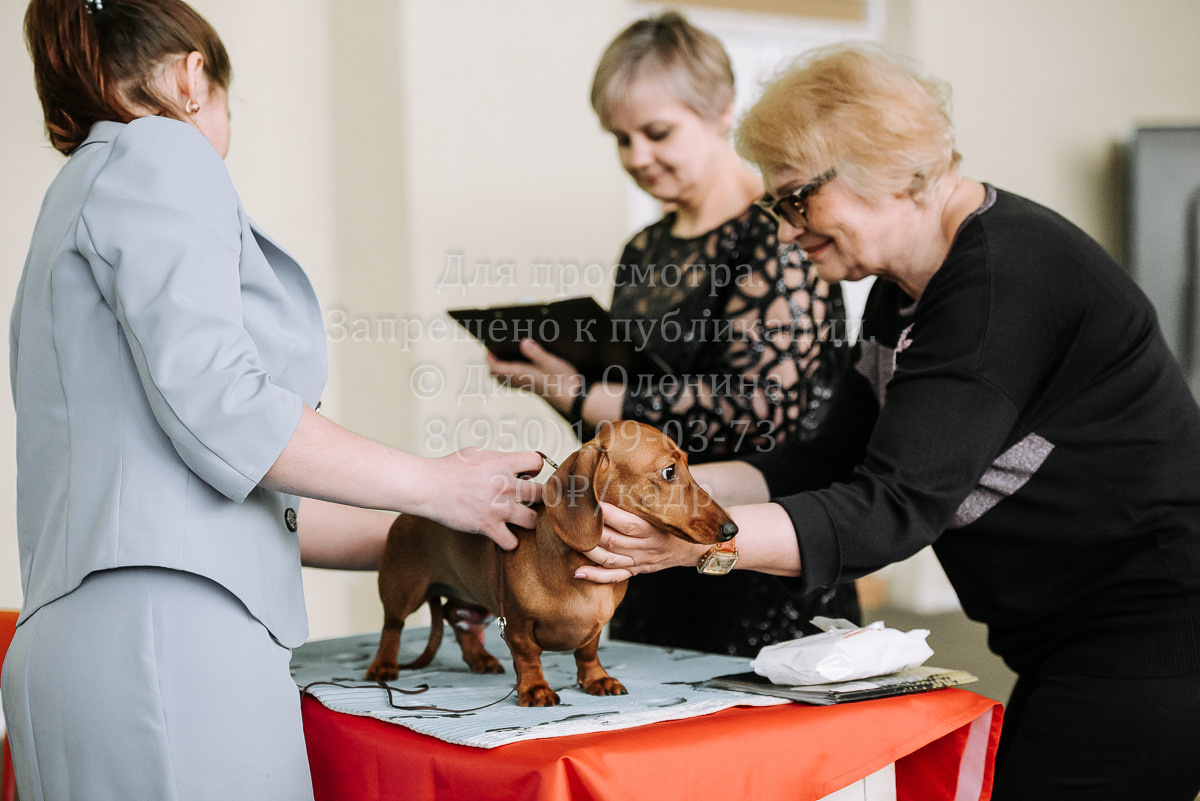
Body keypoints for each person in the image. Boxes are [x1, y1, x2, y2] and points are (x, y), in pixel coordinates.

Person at [576, 43, 1200, 801]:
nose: (784, 228)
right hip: (1073, 640)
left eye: (797, 200)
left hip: (1152, 634)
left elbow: (891, 508)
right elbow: (825, 461)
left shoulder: (999, 281)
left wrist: (690, 540)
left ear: (885, 166)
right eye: (775, 205)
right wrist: (662, 493)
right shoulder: (904, 285)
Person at [4, 2, 543, 799]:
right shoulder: (162, 149)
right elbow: (228, 412)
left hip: (97, 642)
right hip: (170, 644)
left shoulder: (76, 192)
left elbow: (243, 490)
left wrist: (452, 532)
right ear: (194, 78)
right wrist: (442, 480)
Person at [488, 11, 860, 657]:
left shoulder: (780, 237)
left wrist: (582, 394)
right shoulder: (644, 249)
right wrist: (556, 384)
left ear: (723, 111)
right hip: (644, 560)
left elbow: (759, 413)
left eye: (657, 132)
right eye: (620, 139)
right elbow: (627, 430)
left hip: (754, 561)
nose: (638, 157)